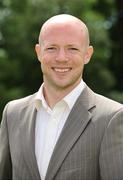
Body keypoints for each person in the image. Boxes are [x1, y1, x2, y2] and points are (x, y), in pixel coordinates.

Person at [0, 14, 123, 180]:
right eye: (52, 48)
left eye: (72, 48)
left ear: (87, 54)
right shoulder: (12, 113)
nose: (61, 58)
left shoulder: (112, 117)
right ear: (38, 52)